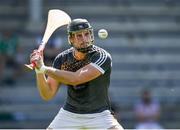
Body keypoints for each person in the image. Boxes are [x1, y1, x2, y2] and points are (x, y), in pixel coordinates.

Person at [29, 18, 124, 129]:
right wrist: (39, 71)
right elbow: (47, 94)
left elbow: (76, 78)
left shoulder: (101, 56)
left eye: (87, 34)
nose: (84, 39)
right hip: (69, 114)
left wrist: (44, 68)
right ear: (71, 39)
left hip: (99, 115)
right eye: (79, 35)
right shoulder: (62, 59)